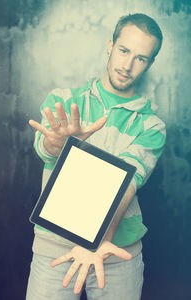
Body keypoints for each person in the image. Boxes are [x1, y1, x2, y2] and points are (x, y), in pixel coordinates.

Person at [26, 13, 166, 300]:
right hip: (55, 248)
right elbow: (44, 149)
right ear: (110, 45)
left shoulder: (152, 125)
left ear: (150, 64)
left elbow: (126, 182)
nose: (127, 65)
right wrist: (58, 146)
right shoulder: (65, 99)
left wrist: (99, 241)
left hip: (115, 252)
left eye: (140, 58)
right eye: (124, 51)